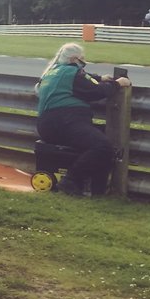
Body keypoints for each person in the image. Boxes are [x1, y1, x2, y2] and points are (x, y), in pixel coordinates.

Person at [35, 42, 131, 196]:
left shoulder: (53, 71)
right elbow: (94, 91)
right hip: (65, 121)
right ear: (74, 59)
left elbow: (84, 80)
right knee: (103, 146)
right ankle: (70, 180)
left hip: (47, 124)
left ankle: (97, 191)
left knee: (98, 144)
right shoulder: (72, 72)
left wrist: (100, 77)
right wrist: (117, 84)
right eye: (82, 59)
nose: (84, 62)